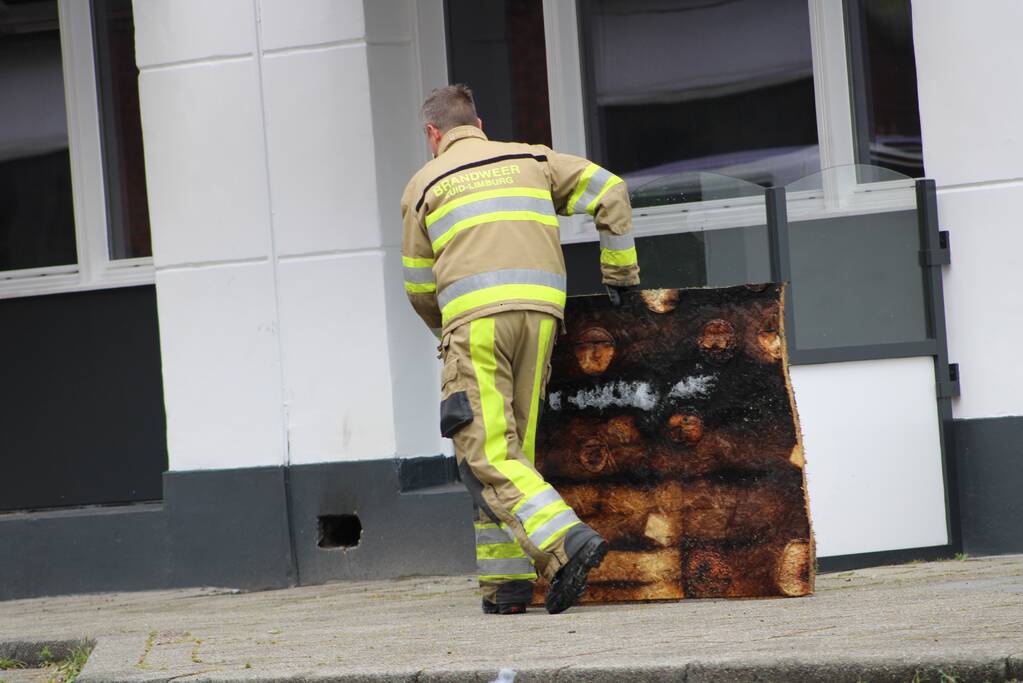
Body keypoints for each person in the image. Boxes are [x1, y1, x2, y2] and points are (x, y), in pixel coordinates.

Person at [400, 84, 640, 615]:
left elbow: (418, 286)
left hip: (475, 327)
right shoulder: (533, 159)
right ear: (479, 123)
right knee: (513, 457)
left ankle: (567, 540)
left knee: (485, 454)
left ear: (433, 134)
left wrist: (449, 333)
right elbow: (610, 190)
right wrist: (619, 270)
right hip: (541, 317)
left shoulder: (425, 183)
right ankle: (507, 587)